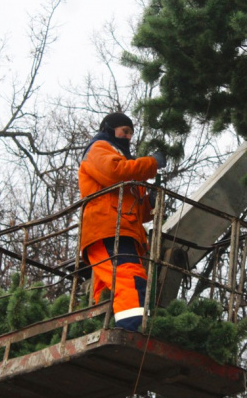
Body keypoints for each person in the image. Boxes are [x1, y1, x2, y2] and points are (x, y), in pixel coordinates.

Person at [78, 112, 166, 331]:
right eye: (124, 131)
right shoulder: (98, 149)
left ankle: (101, 330)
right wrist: (151, 163)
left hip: (121, 232)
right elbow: (113, 172)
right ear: (110, 129)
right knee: (131, 279)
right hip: (107, 231)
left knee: (105, 291)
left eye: (131, 134)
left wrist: (149, 203)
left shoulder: (124, 162)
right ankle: (133, 330)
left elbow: (132, 208)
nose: (128, 137)